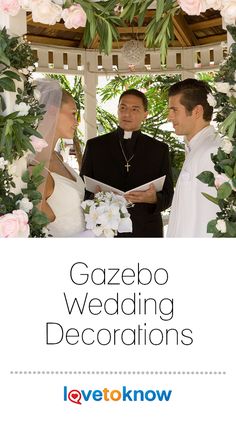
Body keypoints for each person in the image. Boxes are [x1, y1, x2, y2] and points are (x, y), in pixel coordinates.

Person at [80, 89, 174, 237]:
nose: (127, 114)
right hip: (107, 232)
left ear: (145, 114)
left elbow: (169, 196)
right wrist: (95, 198)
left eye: (134, 109)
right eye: (122, 108)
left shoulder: (159, 149)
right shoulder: (95, 146)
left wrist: (154, 198)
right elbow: (82, 190)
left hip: (146, 231)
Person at [167, 78, 221, 237]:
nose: (169, 117)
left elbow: (207, 219)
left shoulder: (211, 152)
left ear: (197, 111)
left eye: (174, 110)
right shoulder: (197, 149)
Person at [34, 79, 86, 237]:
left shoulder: (58, 158)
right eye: (73, 113)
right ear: (52, 111)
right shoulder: (36, 166)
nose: (76, 122)